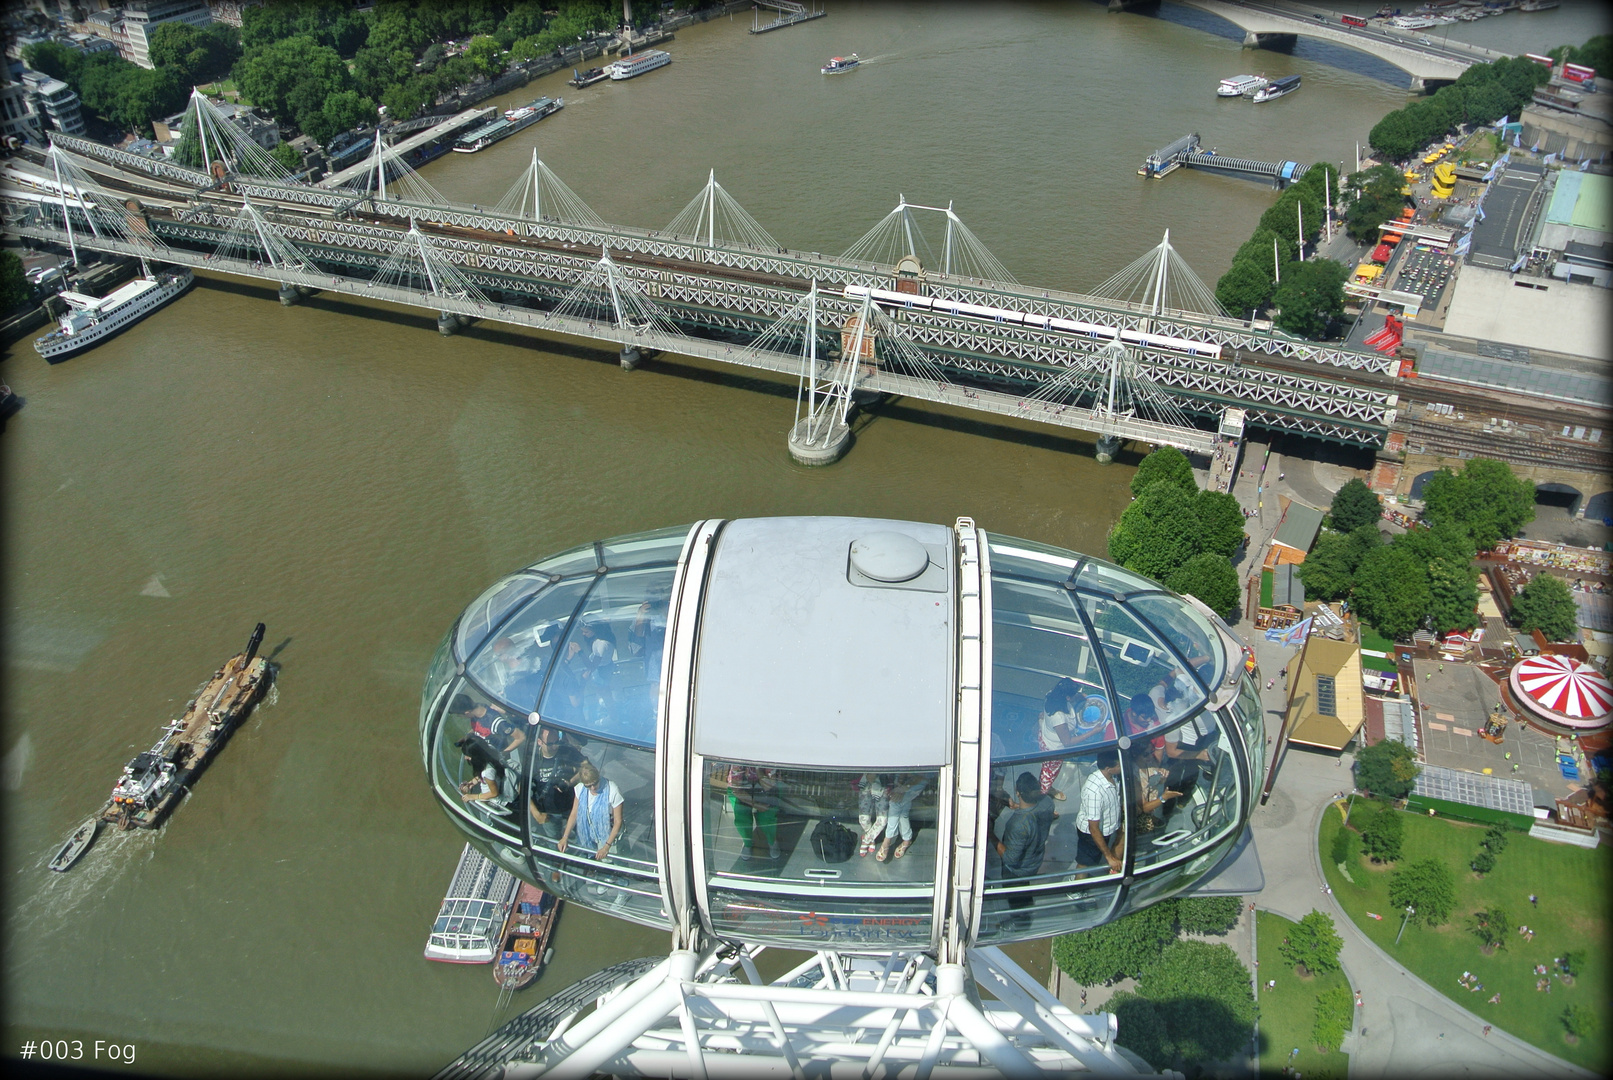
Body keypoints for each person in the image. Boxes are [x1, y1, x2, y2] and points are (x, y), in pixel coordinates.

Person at [995, 772, 1053, 928]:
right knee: (1024, 889)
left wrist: (990, 836)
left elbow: (1010, 859)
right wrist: (1019, 807)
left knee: (1015, 894)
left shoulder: (1018, 824)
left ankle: (1019, 922)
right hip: (1034, 861)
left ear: (1018, 792)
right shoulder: (1047, 802)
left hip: (1017, 870)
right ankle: (1026, 908)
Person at [527, 725, 585, 840]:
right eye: (550, 744)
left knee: (582, 836)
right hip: (548, 811)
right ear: (539, 742)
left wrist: (571, 782)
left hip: (570, 806)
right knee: (553, 840)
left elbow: (587, 767)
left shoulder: (567, 751)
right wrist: (536, 813)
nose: (555, 746)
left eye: (557, 742)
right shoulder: (533, 760)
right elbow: (522, 786)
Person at [559, 760, 623, 862]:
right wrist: (565, 837)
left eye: (595, 784)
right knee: (589, 857)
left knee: (609, 862)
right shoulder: (580, 789)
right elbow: (574, 814)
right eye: (588, 786)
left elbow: (618, 821)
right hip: (587, 833)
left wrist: (606, 846)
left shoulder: (612, 790)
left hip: (607, 836)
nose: (592, 788)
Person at [1076, 751, 1125, 872]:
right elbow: (1093, 828)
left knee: (1121, 838)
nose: (1121, 767)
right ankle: (1076, 888)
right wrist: (1108, 857)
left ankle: (1111, 869)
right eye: (1119, 765)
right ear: (1109, 769)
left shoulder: (1114, 777)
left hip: (1108, 827)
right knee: (1085, 862)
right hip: (1091, 834)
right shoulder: (1094, 792)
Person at [1037, 678, 1084, 799]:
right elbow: (1067, 742)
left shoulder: (1051, 694)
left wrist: (1079, 696)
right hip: (1053, 750)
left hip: (1045, 738)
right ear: (1068, 698)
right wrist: (1093, 732)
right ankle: (1042, 797)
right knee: (1049, 774)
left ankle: (1045, 786)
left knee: (1045, 769)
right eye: (1074, 695)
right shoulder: (1059, 717)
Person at [723, 764, 781, 860]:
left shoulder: (769, 757)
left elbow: (769, 786)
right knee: (742, 819)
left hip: (765, 789)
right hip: (741, 791)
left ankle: (772, 841)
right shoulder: (739, 761)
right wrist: (756, 804)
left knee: (767, 818)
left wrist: (758, 769)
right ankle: (747, 843)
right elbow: (736, 790)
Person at [455, 734, 514, 818]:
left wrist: (473, 796)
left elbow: (494, 793)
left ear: (476, 756)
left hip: (495, 803)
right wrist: (471, 783)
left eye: (468, 755)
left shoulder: (487, 772)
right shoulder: (491, 751)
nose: (466, 758)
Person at [878, 773, 926, 861]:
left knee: (895, 802)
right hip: (908, 781)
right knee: (903, 812)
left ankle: (887, 840)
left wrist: (904, 789)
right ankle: (907, 840)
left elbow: (921, 776)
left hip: (920, 779)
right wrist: (901, 785)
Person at [856, 773, 891, 856]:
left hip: (883, 783)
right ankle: (871, 838)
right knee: (863, 819)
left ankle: (866, 840)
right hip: (865, 783)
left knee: (882, 820)